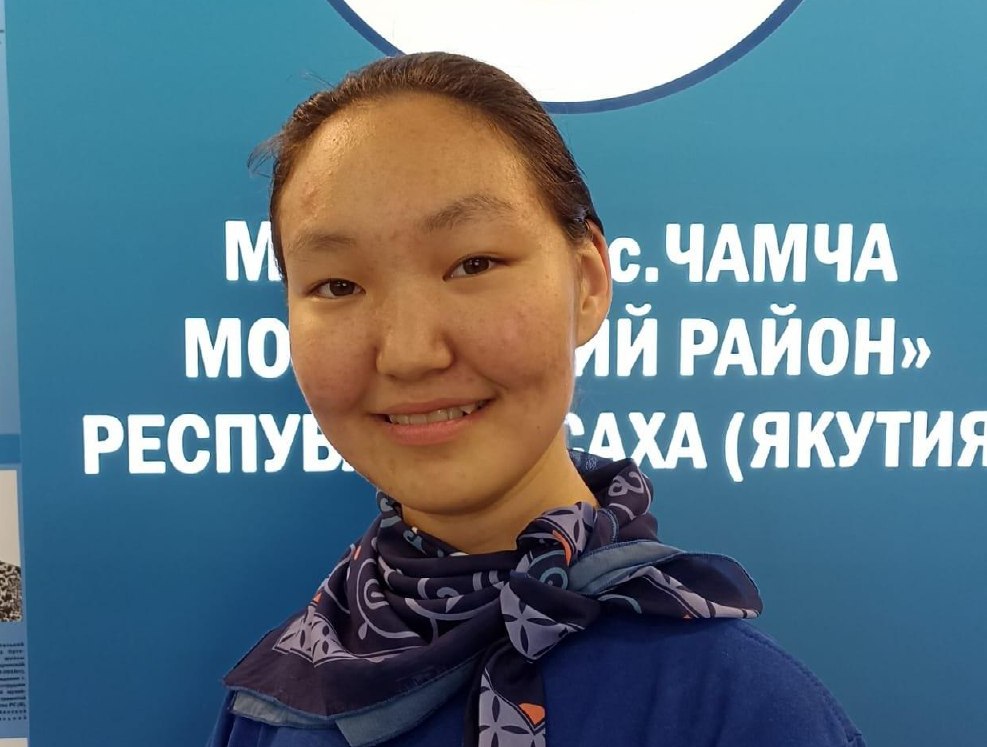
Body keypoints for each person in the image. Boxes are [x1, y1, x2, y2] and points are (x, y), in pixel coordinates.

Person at [207, 52, 866, 747]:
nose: (409, 353)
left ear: (587, 281)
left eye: (473, 264)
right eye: (338, 285)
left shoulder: (738, 710)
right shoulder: (278, 703)